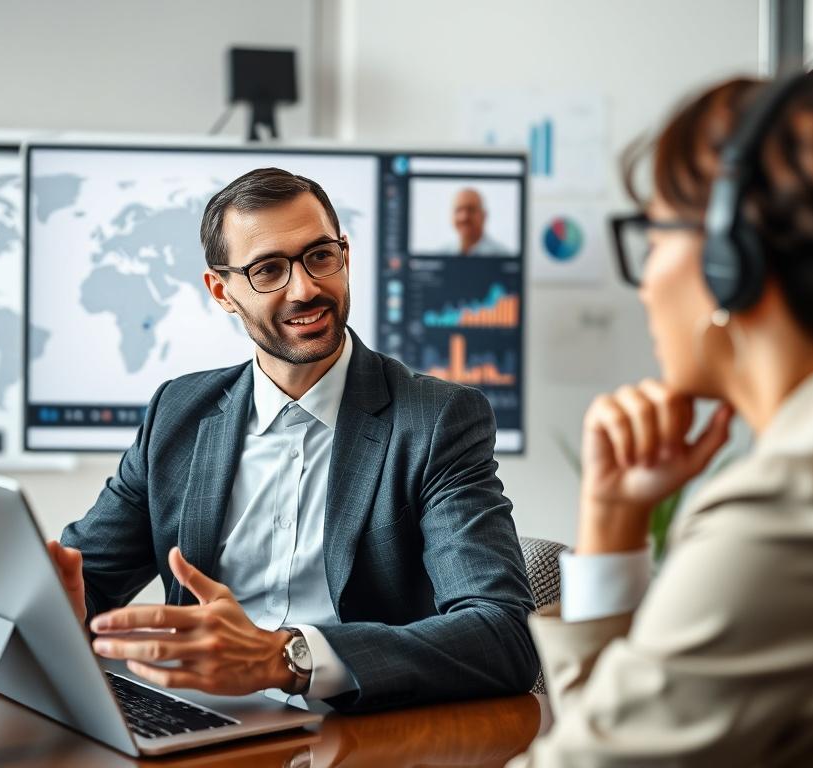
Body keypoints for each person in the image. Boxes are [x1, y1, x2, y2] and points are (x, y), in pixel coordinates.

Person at [512, 49, 813, 767]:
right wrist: (613, 521)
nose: (643, 283)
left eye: (655, 232)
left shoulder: (798, 508)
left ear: (732, 259)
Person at [50, 167, 537, 713]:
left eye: (319, 257)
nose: (304, 288)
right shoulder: (178, 414)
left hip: (356, 734)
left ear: (344, 256)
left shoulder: (437, 421)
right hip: (198, 723)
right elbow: (84, 584)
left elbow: (504, 638)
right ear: (221, 291)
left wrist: (288, 658)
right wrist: (62, 610)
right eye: (268, 270)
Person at [449, 187, 510, 255]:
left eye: (471, 210)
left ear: (484, 215)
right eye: (458, 210)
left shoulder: (503, 257)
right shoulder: (439, 258)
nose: (464, 217)